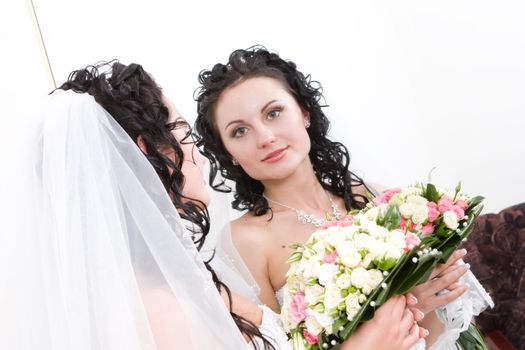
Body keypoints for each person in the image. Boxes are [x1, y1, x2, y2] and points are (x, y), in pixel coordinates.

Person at [0, 61, 426, 350]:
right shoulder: (161, 310)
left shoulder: (181, 283)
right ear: (153, 151)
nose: (200, 155)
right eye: (184, 134)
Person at [194, 46, 493, 348]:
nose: (265, 138)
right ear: (228, 154)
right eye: (239, 131)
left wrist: (422, 302)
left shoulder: (374, 196)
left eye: (274, 113)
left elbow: (447, 321)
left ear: (304, 113)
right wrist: (405, 307)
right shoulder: (244, 241)